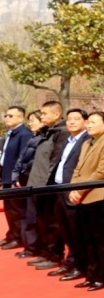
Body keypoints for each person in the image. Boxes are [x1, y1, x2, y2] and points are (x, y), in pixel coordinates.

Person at [68, 111, 104, 292]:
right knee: (85, 238)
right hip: (81, 196)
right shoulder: (86, 143)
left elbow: (102, 172)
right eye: (88, 122)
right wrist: (72, 189)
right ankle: (91, 274)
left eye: (93, 122)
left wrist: (79, 190)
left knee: (100, 238)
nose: (89, 125)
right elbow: (78, 169)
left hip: (96, 195)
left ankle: (102, 276)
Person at [36, 108, 89, 274]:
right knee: (65, 231)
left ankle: (80, 265)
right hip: (59, 189)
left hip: (73, 191)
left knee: (76, 232)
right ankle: (70, 263)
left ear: (85, 122)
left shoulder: (86, 141)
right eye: (69, 119)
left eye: (76, 119)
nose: (72, 122)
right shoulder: (69, 140)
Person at [26, 101, 69, 265]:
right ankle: (46, 252)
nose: (41, 116)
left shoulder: (61, 133)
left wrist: (47, 184)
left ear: (57, 114)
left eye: (44, 114)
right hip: (37, 183)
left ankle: (54, 254)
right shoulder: (47, 132)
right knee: (42, 220)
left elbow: (55, 161)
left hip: (47, 185)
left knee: (52, 222)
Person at [0, 105, 33, 251]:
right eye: (6, 115)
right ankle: (11, 234)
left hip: (14, 178)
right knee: (9, 209)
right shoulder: (10, 133)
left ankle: (18, 237)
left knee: (16, 209)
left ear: (21, 117)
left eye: (11, 116)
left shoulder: (24, 134)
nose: (7, 118)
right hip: (5, 175)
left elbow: (22, 158)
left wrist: (16, 178)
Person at [12, 111, 44, 259]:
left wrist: (24, 169)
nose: (30, 123)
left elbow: (35, 160)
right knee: (25, 214)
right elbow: (21, 158)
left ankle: (34, 247)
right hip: (24, 179)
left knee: (33, 216)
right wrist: (16, 174)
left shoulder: (42, 139)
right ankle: (29, 246)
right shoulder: (33, 137)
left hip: (33, 179)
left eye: (33, 120)